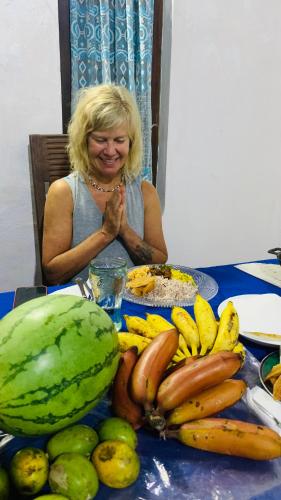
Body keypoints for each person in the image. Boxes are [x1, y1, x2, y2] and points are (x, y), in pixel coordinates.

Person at [42, 84, 168, 284]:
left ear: (131, 143)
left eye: (119, 140)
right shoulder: (64, 192)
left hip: (133, 303)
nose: (110, 151)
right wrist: (106, 233)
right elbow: (52, 273)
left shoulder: (146, 192)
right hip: (80, 305)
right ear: (84, 140)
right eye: (101, 139)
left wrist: (125, 231)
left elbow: (161, 262)